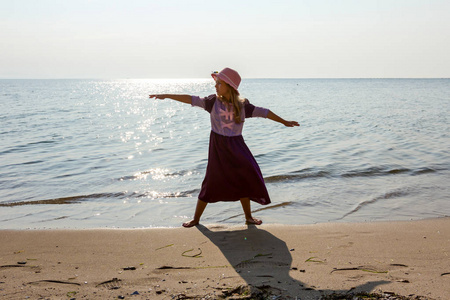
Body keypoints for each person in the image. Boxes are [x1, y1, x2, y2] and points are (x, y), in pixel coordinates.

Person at [149, 68, 299, 228]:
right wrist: (167, 95)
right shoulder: (212, 102)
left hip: (237, 146)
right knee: (211, 181)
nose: (215, 86)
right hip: (218, 148)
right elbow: (190, 99)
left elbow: (265, 112)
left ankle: (248, 217)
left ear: (229, 86)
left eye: (219, 83)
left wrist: (283, 121)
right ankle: (196, 219)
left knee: (244, 177)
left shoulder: (243, 106)